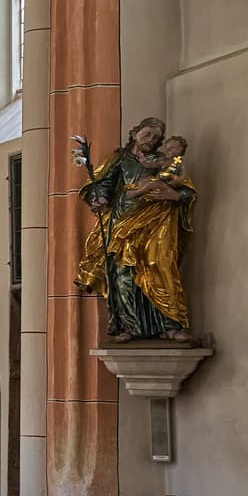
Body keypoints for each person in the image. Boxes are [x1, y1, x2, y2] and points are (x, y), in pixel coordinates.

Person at [74, 120, 198, 341]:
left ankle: (170, 326)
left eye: (155, 138)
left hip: (157, 223)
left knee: (160, 267)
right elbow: (103, 184)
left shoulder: (161, 161)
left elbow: (183, 186)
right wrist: (100, 198)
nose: (150, 140)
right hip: (123, 222)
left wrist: (175, 196)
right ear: (135, 132)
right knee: (124, 274)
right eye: (147, 134)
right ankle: (128, 327)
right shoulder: (120, 159)